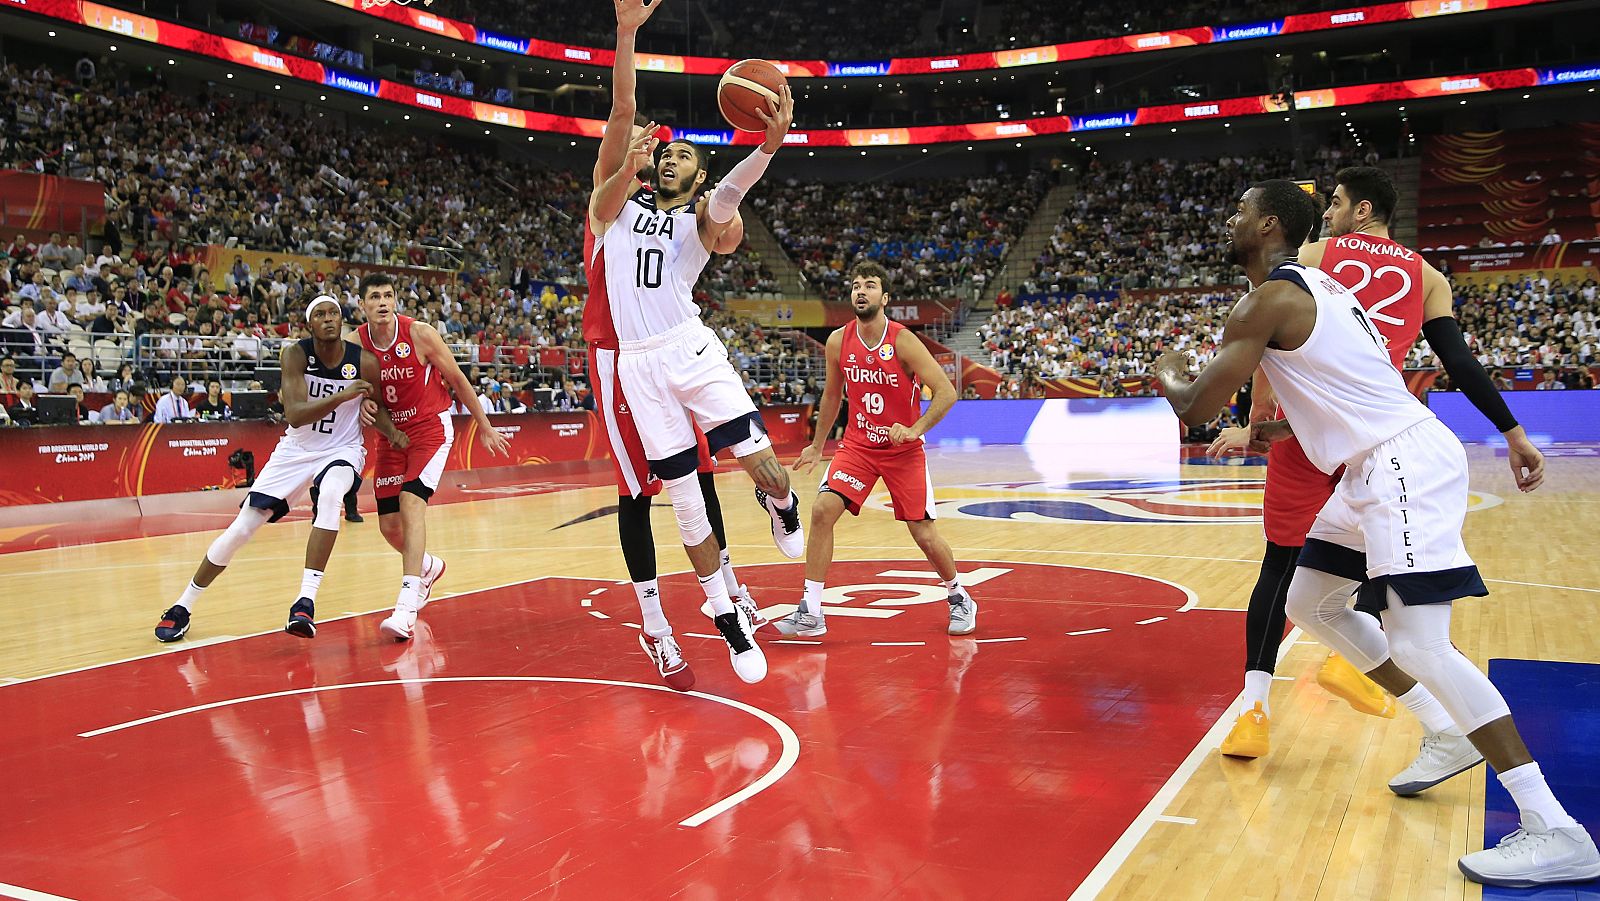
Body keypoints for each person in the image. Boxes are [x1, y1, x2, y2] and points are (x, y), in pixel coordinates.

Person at [1157, 179, 1598, 888]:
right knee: (1310, 602)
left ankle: (1554, 825)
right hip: (1373, 462)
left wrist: (1167, 370)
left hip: (1399, 464)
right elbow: (1335, 399)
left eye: (1240, 210)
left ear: (1268, 223)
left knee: (1421, 643)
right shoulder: (1319, 290)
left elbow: (1195, 405)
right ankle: (1444, 728)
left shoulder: (1271, 298)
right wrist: (1265, 427)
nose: (1229, 218)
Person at [1209, 167, 1548, 767]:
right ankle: (1358, 661)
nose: (1330, 211)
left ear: (1361, 211)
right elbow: (1459, 363)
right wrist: (1512, 432)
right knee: (1349, 571)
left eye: (1336, 203)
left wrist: (1256, 415)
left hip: (1324, 435)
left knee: (1282, 568)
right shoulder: (1430, 275)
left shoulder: (1311, 253)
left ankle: (1257, 709)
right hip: (1382, 424)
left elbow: (1266, 337)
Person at [591, 19, 803, 684]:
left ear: (700, 172)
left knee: (760, 467)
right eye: (665, 152)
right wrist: (626, 34)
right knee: (676, 497)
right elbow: (617, 132)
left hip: (687, 348)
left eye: (683, 153)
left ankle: (780, 504)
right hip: (631, 361)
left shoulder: (700, 221)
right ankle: (723, 616)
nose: (668, 156)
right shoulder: (616, 209)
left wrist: (767, 147)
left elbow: (731, 201)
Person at [154, 296, 403, 642]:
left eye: (334, 313)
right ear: (309, 324)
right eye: (320, 315)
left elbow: (376, 409)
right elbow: (296, 414)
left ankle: (305, 602)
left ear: (342, 320)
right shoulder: (295, 354)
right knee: (241, 529)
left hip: (342, 449)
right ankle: (183, 606)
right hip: (295, 450)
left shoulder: (364, 361)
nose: (329, 319)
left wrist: (395, 434)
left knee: (330, 496)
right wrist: (343, 396)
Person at [784, 262, 976, 637]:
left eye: (869, 286)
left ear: (884, 298)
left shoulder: (902, 340)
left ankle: (959, 596)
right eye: (855, 285)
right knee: (823, 510)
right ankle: (811, 610)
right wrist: (818, 444)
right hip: (858, 446)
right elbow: (832, 395)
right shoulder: (839, 340)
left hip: (902, 451)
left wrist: (915, 429)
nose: (860, 291)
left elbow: (947, 392)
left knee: (923, 534)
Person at [356, 273, 510, 641]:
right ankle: (427, 567)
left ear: (395, 302)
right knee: (389, 526)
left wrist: (485, 425)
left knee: (412, 502)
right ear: (362, 305)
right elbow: (354, 388)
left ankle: (406, 608)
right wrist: (360, 403)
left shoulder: (420, 334)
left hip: (429, 430)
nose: (382, 303)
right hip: (391, 436)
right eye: (374, 297)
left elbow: (457, 379)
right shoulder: (356, 344)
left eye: (388, 296)